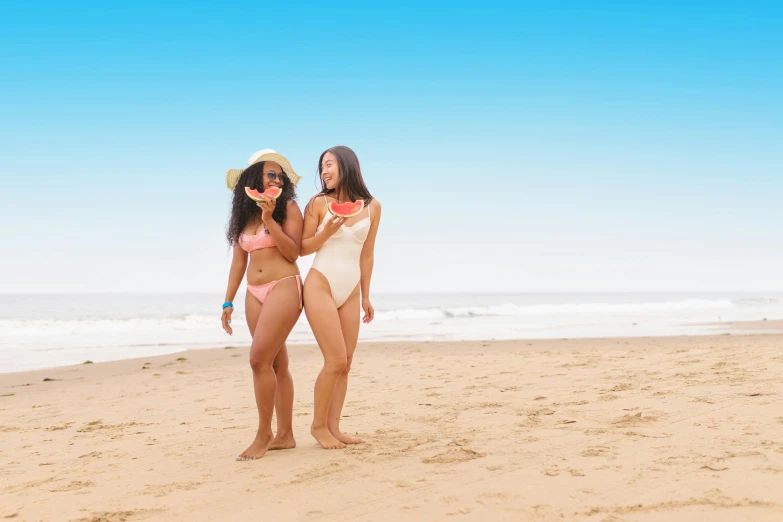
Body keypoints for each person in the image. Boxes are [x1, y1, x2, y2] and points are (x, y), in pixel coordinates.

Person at [221, 149, 304, 460]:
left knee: (257, 359)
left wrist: (271, 219)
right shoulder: (244, 217)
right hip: (253, 293)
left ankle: (264, 433)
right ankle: (286, 435)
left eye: (280, 176)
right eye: (271, 174)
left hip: (284, 286)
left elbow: (293, 252)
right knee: (276, 364)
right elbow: (238, 263)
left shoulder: (290, 208)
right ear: (253, 178)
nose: (277, 179)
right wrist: (227, 300)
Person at [300, 146, 382, 449]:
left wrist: (365, 296)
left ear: (346, 166)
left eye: (329, 164)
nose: (324, 171)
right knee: (334, 360)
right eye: (321, 166)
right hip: (320, 283)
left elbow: (368, 254)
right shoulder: (318, 203)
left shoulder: (373, 207)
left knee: (345, 364)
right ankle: (317, 426)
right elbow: (302, 248)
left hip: (350, 290)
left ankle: (334, 427)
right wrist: (326, 231)